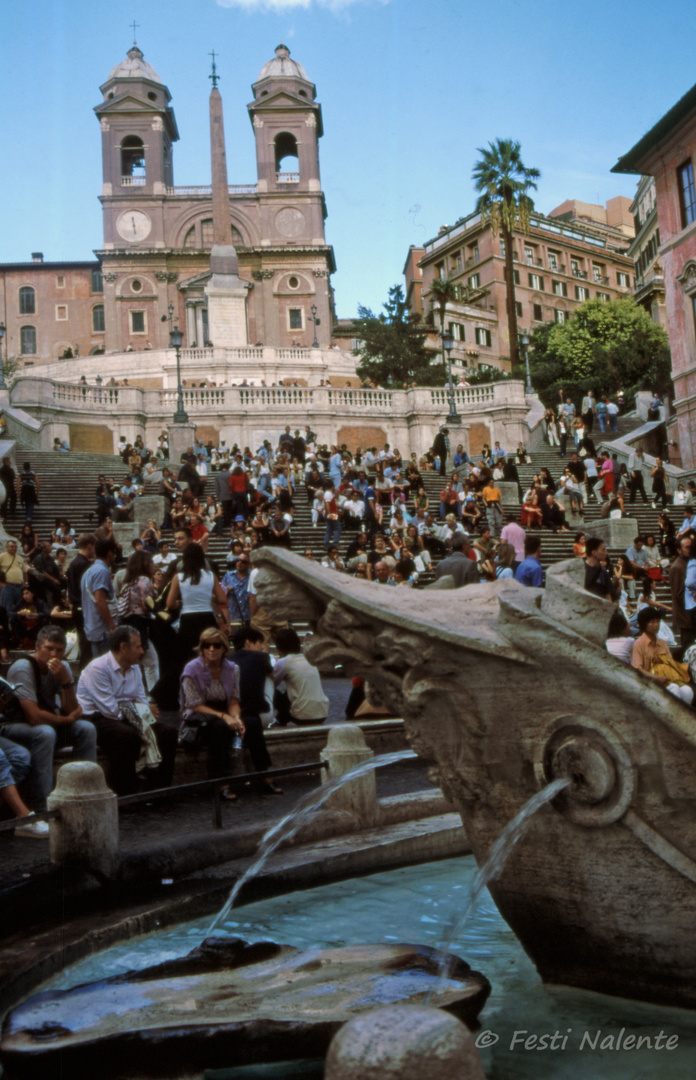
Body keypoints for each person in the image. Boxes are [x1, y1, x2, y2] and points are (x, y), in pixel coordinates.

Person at [2, 626, 97, 816]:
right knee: (45, 733)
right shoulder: (23, 667)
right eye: (49, 648)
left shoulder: (64, 668)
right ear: (37, 647)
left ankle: (87, 793)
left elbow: (72, 710)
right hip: (14, 727)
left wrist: (66, 682)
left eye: (59, 650)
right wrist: (67, 719)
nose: (54, 654)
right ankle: (42, 807)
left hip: (47, 724)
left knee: (86, 728)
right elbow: (34, 717)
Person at [76, 626, 177, 795]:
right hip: (98, 718)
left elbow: (141, 698)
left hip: (129, 716)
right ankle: (125, 793)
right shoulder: (97, 668)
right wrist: (143, 712)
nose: (142, 650)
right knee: (126, 736)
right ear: (124, 647)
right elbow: (111, 710)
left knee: (168, 733)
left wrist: (143, 713)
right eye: (137, 646)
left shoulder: (135, 668)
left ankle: (158, 789)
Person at [179, 627, 275, 795]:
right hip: (200, 714)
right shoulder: (191, 669)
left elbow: (234, 700)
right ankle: (222, 782)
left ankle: (265, 775)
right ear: (201, 648)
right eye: (207, 645)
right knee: (220, 728)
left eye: (216, 645)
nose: (211, 649)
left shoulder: (232, 668)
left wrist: (236, 718)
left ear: (224, 648)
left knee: (252, 721)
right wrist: (224, 717)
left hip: (225, 711)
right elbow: (194, 704)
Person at [167, 541, 231, 661]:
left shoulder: (179, 577)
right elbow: (223, 599)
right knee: (210, 655)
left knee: (187, 657)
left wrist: (179, 603)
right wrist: (210, 597)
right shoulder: (211, 575)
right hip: (207, 618)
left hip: (187, 619)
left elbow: (170, 604)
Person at [632, 606, 694, 705]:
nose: (656, 625)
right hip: (649, 681)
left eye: (657, 622)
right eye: (652, 622)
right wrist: (656, 678)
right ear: (644, 624)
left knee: (687, 691)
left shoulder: (663, 643)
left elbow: (670, 662)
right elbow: (637, 668)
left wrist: (662, 660)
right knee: (674, 688)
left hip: (667, 678)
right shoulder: (638, 644)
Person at [272, 627, 329, 726]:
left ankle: (281, 719)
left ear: (279, 647)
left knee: (269, 688)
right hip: (322, 713)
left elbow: (272, 682)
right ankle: (281, 718)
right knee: (293, 689)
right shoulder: (308, 658)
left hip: (301, 716)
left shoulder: (284, 662)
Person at [81, 535, 118, 656]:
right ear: (109, 554)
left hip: (94, 628)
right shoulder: (102, 571)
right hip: (103, 630)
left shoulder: (90, 571)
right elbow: (100, 601)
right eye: (114, 553)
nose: (115, 556)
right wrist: (112, 625)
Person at [670, 535, 696, 651]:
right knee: (689, 647)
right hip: (686, 616)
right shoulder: (677, 567)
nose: (690, 549)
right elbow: (679, 594)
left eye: (691, 547)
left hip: (691, 614)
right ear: (679, 550)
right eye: (687, 547)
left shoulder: (689, 563)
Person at [0, 538, 26, 614]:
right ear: (7, 547)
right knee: (6, 608)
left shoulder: (20, 558)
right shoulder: (1, 556)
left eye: (15, 546)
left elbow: (25, 571)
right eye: (11, 546)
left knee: (20, 608)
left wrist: (26, 583)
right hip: (8, 586)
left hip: (19, 587)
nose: (14, 548)